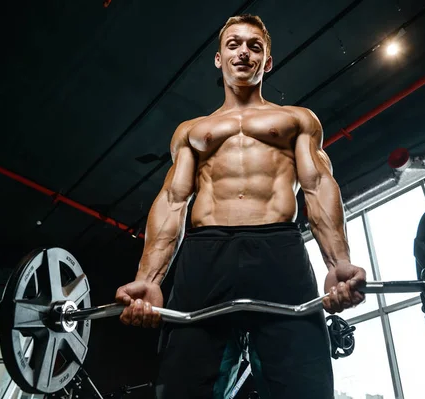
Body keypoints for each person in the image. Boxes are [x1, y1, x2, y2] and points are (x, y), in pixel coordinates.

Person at [115, 14, 366, 399]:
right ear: (219, 58)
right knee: (184, 385)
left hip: (279, 250)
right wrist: (149, 279)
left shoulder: (297, 119)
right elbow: (173, 200)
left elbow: (317, 187)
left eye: (254, 46)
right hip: (205, 253)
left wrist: (338, 264)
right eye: (233, 45)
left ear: (267, 61)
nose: (243, 52)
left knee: (304, 384)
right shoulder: (191, 130)